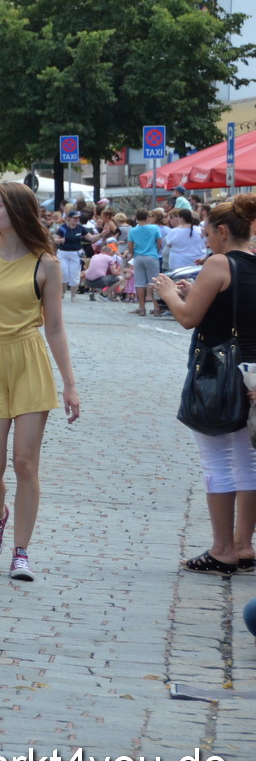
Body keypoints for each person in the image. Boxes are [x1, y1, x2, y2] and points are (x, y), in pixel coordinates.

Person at [0, 182, 80, 583]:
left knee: (25, 462)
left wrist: (70, 384)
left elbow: (55, 329)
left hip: (28, 360)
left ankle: (21, 551)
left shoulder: (46, 264)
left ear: (18, 211)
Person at [153, 194, 256, 574]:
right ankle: (244, 546)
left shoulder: (218, 263)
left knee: (217, 460)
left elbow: (188, 318)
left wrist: (168, 293)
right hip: (252, 375)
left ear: (223, 231)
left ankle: (222, 548)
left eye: (208, 231)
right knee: (249, 460)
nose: (205, 238)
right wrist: (188, 295)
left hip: (219, 375)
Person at [127, 208, 164, 316]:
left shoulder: (133, 230)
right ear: (148, 217)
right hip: (152, 256)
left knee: (139, 283)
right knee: (154, 282)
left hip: (139, 257)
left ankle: (142, 308)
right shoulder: (154, 228)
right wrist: (155, 251)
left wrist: (134, 254)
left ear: (136, 218)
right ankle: (156, 307)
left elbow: (130, 246)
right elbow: (159, 243)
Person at [54, 209, 89, 299]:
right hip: (63, 253)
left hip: (75, 253)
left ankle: (73, 296)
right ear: (69, 218)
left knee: (75, 274)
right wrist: (60, 240)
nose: (76, 220)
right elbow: (54, 239)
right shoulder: (62, 227)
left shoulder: (80, 228)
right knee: (64, 272)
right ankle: (63, 291)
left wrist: (101, 235)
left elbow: (91, 238)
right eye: (74, 218)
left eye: (77, 218)